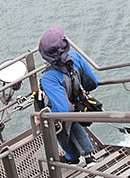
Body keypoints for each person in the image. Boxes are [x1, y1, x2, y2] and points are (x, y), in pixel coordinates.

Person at [38, 26, 99, 165]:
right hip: (77, 103)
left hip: (65, 111)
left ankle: (73, 157)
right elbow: (93, 82)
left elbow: (64, 110)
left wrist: (43, 114)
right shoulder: (75, 58)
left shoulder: (49, 77)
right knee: (74, 122)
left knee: (61, 130)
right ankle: (89, 156)